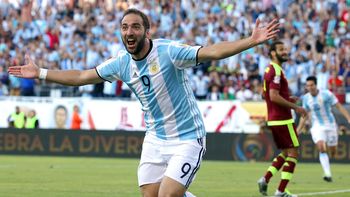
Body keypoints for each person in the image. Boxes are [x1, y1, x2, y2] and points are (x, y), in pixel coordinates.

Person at [8, 8, 279, 197]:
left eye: (135, 26)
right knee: (152, 195)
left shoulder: (169, 52)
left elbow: (211, 52)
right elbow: (81, 76)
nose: (129, 31)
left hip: (187, 138)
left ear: (146, 31)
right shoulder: (122, 63)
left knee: (168, 194)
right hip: (155, 139)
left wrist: (251, 41)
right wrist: (41, 72)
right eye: (124, 27)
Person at [257, 41, 307, 197]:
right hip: (283, 119)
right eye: (281, 49)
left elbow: (264, 94)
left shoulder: (269, 69)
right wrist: (296, 107)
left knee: (286, 152)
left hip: (274, 118)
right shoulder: (276, 71)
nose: (285, 51)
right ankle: (280, 192)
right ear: (273, 53)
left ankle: (265, 179)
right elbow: (272, 96)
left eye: (286, 48)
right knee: (293, 153)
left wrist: (287, 97)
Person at [297, 76, 350, 182]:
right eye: (308, 86)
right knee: (321, 147)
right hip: (317, 126)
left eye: (312, 85)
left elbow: (339, 106)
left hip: (331, 125)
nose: (310, 87)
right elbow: (305, 115)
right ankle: (327, 173)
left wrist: (348, 118)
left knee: (333, 151)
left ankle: (329, 160)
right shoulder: (306, 98)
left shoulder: (327, 94)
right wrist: (297, 130)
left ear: (316, 85)